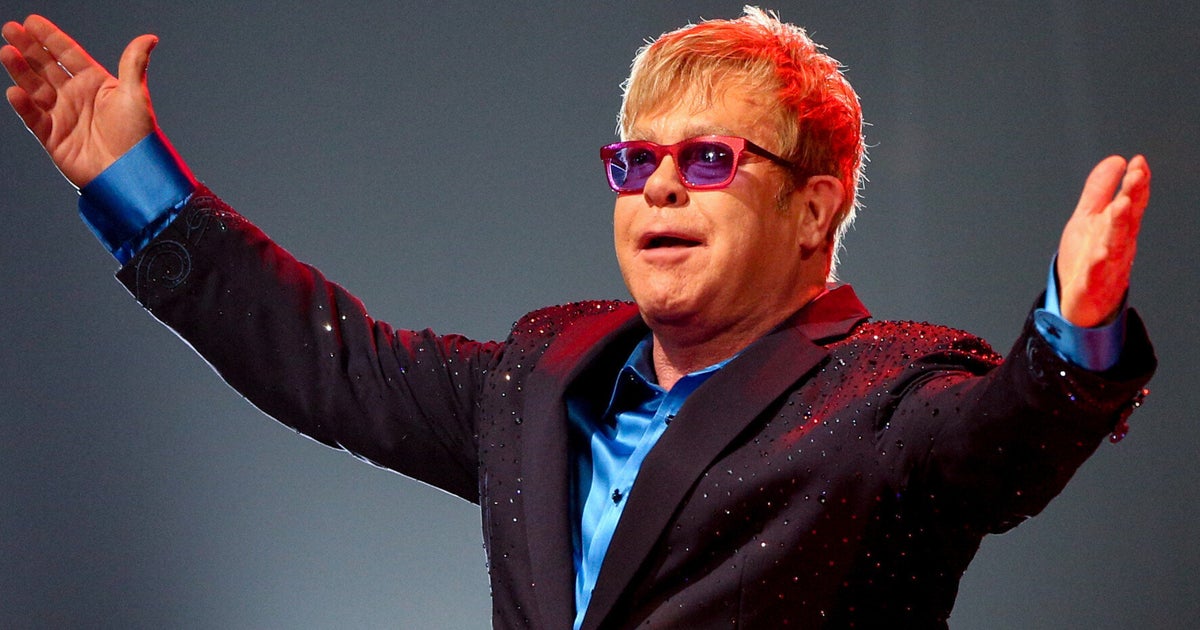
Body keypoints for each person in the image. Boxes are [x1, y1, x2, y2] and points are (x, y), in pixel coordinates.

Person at [2, 7, 1154, 629]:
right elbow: (327, 364)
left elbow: (999, 441)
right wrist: (138, 188)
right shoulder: (541, 371)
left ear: (813, 210)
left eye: (708, 160)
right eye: (635, 161)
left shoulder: (881, 391)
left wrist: (1073, 329)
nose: (659, 188)